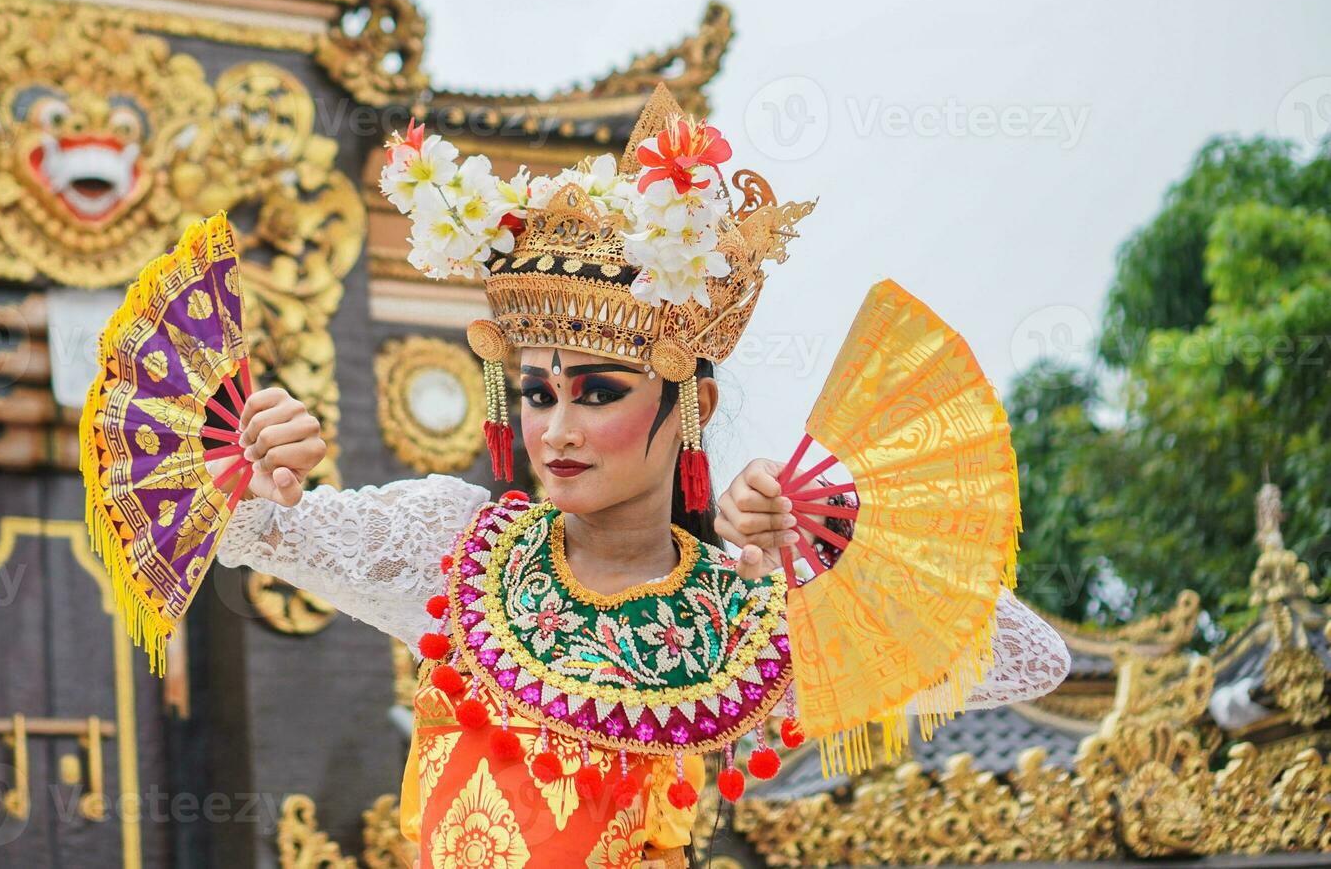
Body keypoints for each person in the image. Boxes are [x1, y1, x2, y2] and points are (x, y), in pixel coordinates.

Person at [205, 91, 1070, 867]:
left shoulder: (746, 617)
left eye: (599, 392)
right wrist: (254, 460)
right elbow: (214, 516)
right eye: (538, 395)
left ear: (692, 404)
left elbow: (1031, 658)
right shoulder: (449, 551)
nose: (558, 432)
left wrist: (818, 533)